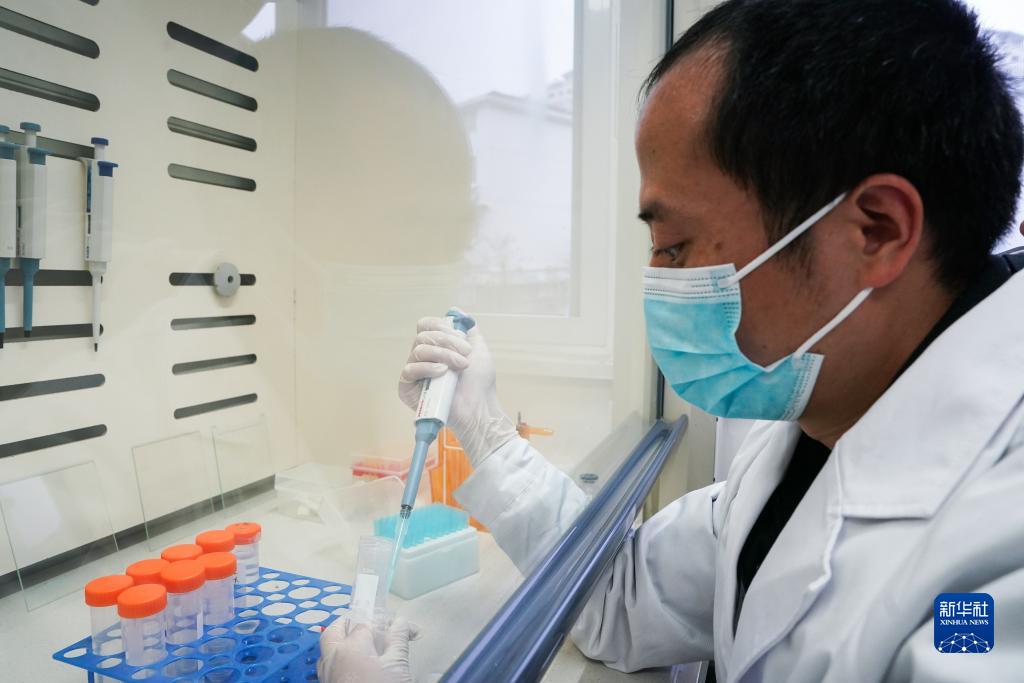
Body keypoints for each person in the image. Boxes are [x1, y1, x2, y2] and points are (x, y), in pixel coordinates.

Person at [320, 0, 1024, 680]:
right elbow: (620, 595)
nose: (660, 282)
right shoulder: (815, 423)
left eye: (675, 245)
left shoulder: (998, 552)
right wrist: (488, 434)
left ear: (877, 230)